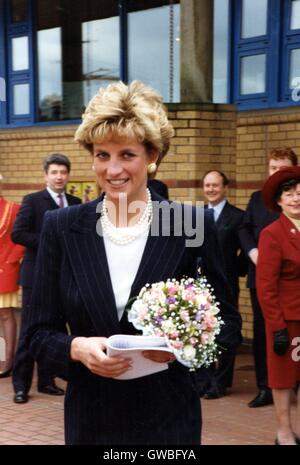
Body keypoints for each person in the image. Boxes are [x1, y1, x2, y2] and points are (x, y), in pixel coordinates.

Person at [24, 80, 241, 445]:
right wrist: (75, 349)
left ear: (152, 155)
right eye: (102, 155)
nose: (113, 169)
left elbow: (228, 324)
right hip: (92, 418)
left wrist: (179, 349)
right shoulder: (61, 226)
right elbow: (35, 334)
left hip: (168, 420)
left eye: (127, 154)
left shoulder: (191, 225)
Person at [11, 154, 81, 403]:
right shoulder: (32, 201)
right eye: (54, 172)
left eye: (63, 172)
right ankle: (20, 385)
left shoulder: (75, 202)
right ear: (46, 175)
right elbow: (18, 234)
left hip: (63, 278)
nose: (59, 176)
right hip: (35, 276)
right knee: (30, 329)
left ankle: (46, 381)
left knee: (56, 329)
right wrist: (49, 243)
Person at [239, 147, 298, 408]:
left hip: (291, 282)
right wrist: (253, 252)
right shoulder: (256, 198)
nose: (276, 172)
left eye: (282, 168)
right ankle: (265, 387)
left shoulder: (295, 198)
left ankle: (291, 385)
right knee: (266, 335)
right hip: (261, 277)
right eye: (273, 168)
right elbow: (244, 227)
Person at [256, 166, 300, 445]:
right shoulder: (272, 234)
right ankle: (284, 432)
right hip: (288, 321)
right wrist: (277, 328)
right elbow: (266, 287)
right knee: (284, 378)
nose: (296, 198)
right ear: (279, 201)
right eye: (289, 194)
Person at [199, 170, 246, 399]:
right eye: (207, 185)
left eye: (215, 185)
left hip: (227, 285)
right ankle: (206, 379)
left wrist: (236, 271)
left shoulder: (237, 217)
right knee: (203, 333)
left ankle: (221, 381)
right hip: (201, 287)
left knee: (226, 333)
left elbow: (245, 251)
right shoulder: (195, 217)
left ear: (225, 187)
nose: (211, 189)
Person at [0, 175, 24, 378]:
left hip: (3, 269)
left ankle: (9, 361)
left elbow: (19, 237)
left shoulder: (12, 208)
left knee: (7, 315)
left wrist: (11, 261)